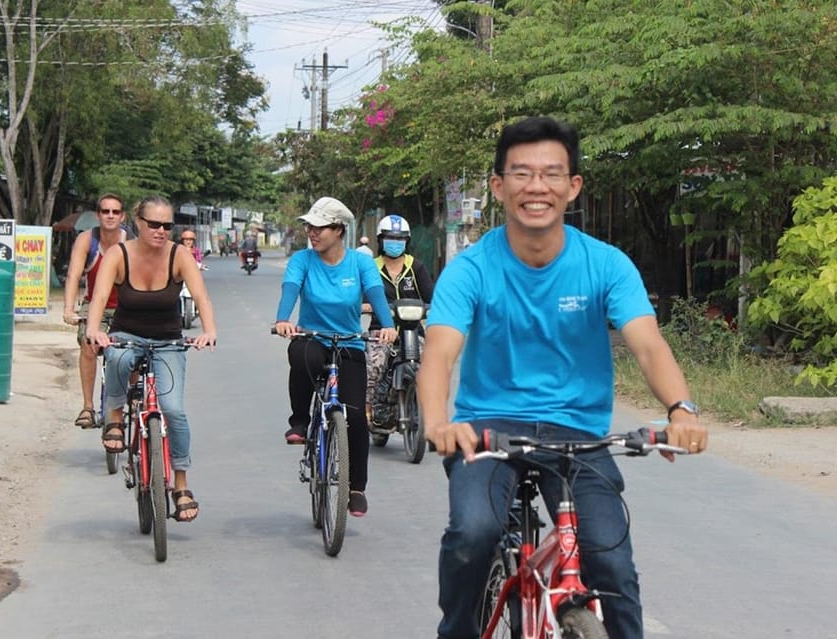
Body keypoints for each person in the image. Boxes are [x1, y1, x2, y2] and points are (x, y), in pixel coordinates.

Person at [418, 116, 708, 639]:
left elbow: (648, 344)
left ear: (573, 186)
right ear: (498, 186)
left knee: (611, 561)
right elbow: (438, 353)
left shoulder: (606, 265)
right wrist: (438, 422)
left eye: (551, 174)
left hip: (579, 433)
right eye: (522, 173)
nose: (537, 187)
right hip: (487, 430)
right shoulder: (472, 268)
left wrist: (680, 410)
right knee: (473, 534)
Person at [86, 195, 217, 523]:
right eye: (154, 224)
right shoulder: (118, 255)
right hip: (126, 336)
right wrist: (94, 331)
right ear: (138, 223)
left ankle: (182, 484)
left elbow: (200, 296)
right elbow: (100, 297)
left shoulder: (179, 255)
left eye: (167, 226)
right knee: (115, 357)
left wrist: (209, 330)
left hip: (169, 342)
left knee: (173, 409)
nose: (161, 231)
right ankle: (114, 418)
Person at [273, 196, 397, 517]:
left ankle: (356, 488)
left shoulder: (360, 262)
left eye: (320, 228)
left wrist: (388, 325)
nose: (312, 233)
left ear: (339, 230)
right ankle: (300, 420)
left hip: (350, 344)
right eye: (309, 227)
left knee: (355, 418)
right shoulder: (302, 260)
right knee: (299, 354)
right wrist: (283, 319)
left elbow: (375, 294)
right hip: (313, 338)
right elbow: (290, 289)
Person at [61, 193, 129, 429]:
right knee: (89, 346)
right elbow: (73, 276)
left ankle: (132, 399)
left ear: (123, 216)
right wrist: (69, 309)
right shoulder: (86, 240)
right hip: (95, 307)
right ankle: (88, 406)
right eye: (105, 211)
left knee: (136, 352)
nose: (110, 216)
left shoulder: (131, 241)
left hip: (127, 307)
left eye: (115, 212)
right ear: (98, 215)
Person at [362, 214, 434, 426]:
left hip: (412, 330)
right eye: (390, 238)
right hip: (381, 331)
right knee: (375, 365)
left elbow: (432, 298)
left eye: (400, 238)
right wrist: (365, 306)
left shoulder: (416, 267)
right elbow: (358, 298)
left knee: (428, 363)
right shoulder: (370, 267)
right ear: (381, 241)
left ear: (406, 242)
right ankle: (367, 411)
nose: (395, 242)